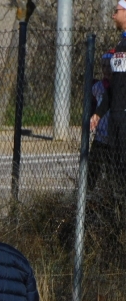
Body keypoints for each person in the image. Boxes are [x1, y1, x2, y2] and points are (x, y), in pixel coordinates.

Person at [91, 1, 126, 191]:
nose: (113, 16)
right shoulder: (121, 46)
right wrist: (99, 112)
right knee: (117, 170)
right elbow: (115, 85)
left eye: (116, 11)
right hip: (117, 116)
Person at [89, 50, 114, 191]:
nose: (106, 70)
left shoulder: (118, 87)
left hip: (114, 138)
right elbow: (93, 104)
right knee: (92, 171)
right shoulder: (98, 87)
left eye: (109, 66)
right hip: (100, 137)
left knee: (113, 174)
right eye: (103, 66)